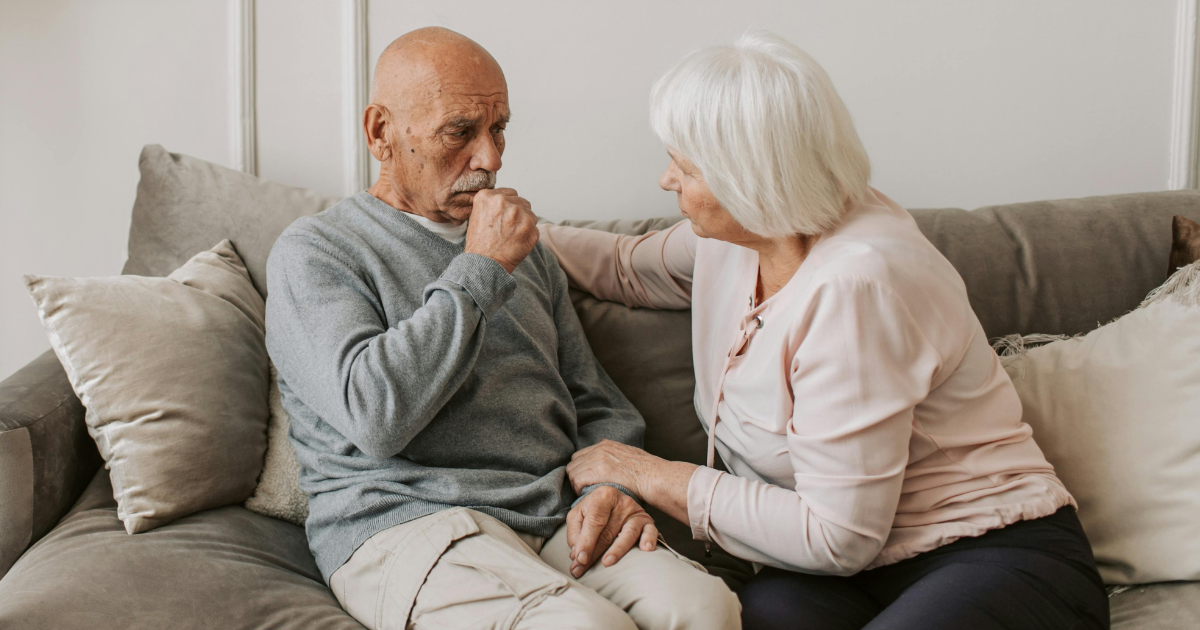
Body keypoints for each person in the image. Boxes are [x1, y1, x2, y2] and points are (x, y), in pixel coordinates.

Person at [540, 31, 1109, 630]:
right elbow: (626, 269)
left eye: (684, 165)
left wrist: (646, 472)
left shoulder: (856, 286)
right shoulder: (743, 238)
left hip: (986, 550)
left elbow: (839, 537)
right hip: (837, 575)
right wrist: (494, 230)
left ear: (747, 177)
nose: (666, 179)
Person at [264, 27, 740, 630]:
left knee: (705, 608)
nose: (490, 158)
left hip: (551, 509)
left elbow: (592, 397)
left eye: (499, 129)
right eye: (460, 132)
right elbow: (375, 415)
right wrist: (483, 268)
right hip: (407, 523)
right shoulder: (319, 251)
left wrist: (610, 487)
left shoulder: (526, 248)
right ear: (380, 132)